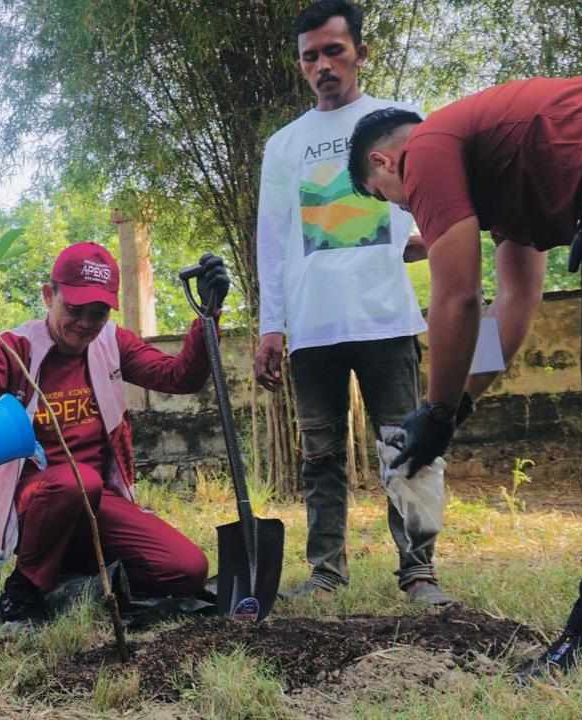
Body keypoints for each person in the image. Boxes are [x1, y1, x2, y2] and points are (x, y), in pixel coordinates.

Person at [347, 76, 582, 680]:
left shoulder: (426, 146)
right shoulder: (503, 178)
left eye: (394, 199)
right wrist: (459, 411)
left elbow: (457, 297)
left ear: (384, 160)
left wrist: (437, 408)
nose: (410, 207)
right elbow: (516, 303)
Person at [253, 0, 450, 605]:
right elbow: (274, 239)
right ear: (301, 67)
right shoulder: (284, 146)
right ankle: (326, 573)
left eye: (335, 51)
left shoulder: (401, 124)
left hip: (385, 316)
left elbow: (434, 207)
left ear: (361, 53)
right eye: (310, 57)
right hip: (312, 326)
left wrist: (429, 245)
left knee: (407, 447)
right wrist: (271, 327)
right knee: (321, 456)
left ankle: (418, 572)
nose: (323, 65)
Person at [0, 242, 230, 623]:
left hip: (95, 501)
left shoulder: (111, 343)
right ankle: (24, 592)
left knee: (187, 569)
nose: (86, 323)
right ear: (47, 295)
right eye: (74, 310)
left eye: (99, 312)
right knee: (76, 480)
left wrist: (207, 317)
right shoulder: (12, 347)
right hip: (33, 504)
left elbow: (178, 377)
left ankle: (74, 583)